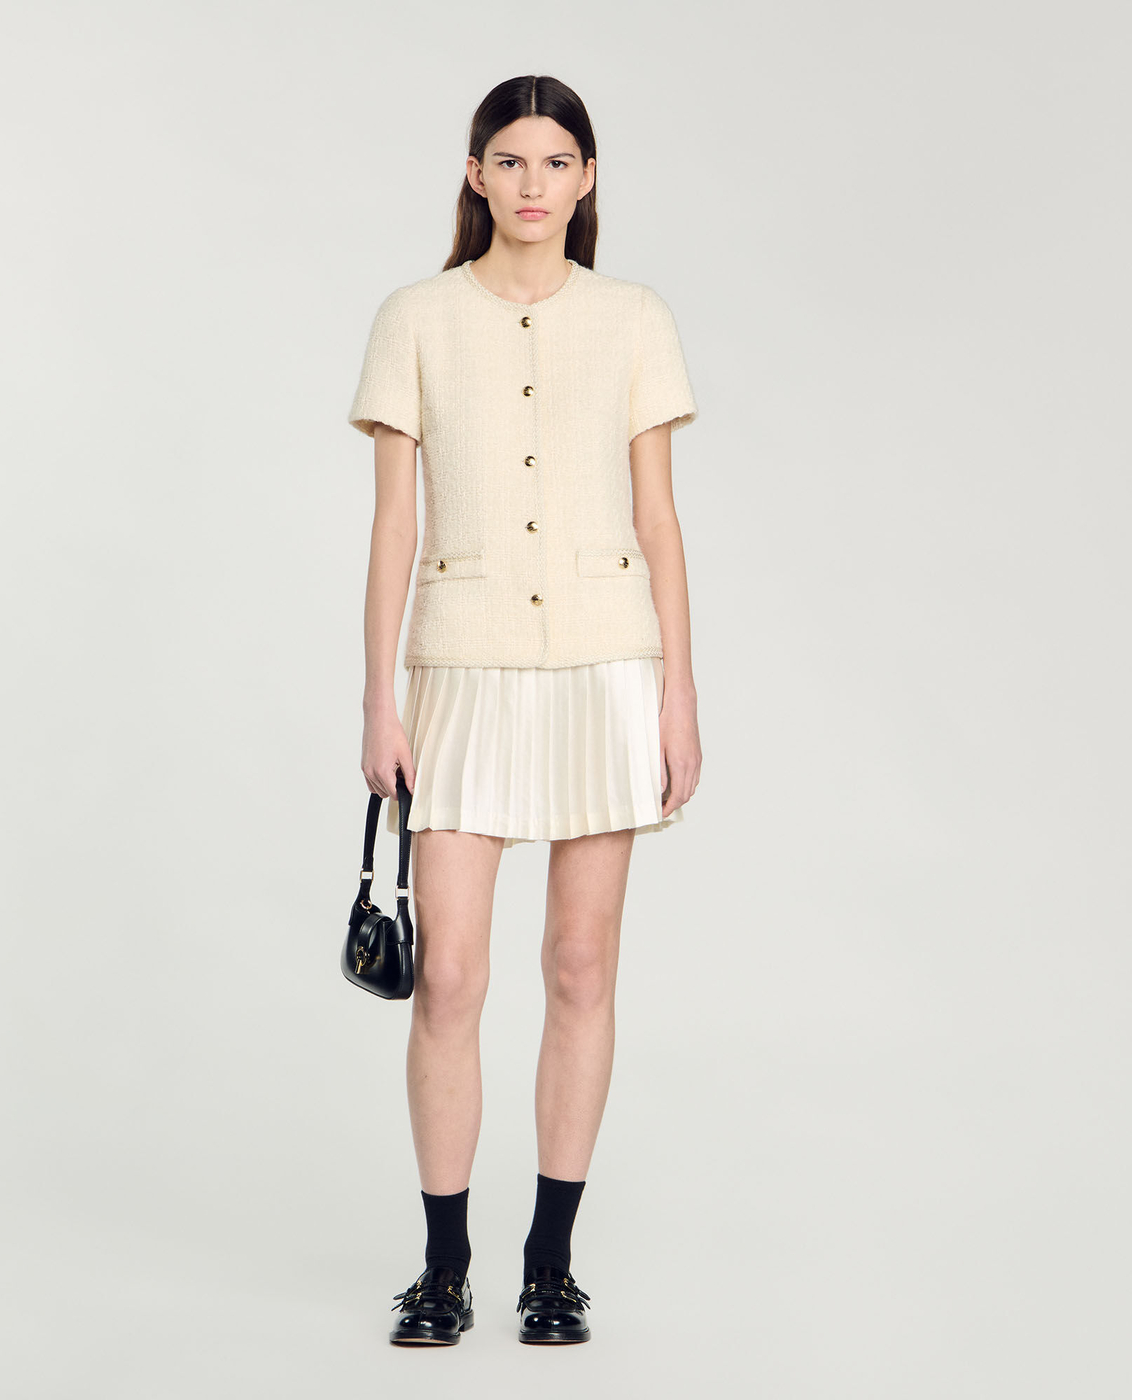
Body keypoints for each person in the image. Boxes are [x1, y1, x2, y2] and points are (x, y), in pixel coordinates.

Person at [348, 74, 701, 1347]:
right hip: (459, 668)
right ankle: (442, 1265)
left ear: (586, 178)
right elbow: (393, 524)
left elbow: (657, 517)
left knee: (578, 963)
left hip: (606, 667)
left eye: (555, 162)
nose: (533, 183)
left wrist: (678, 694)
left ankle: (549, 1264)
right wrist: (377, 697)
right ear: (474, 173)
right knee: (447, 976)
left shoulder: (633, 319)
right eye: (509, 160)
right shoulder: (416, 317)